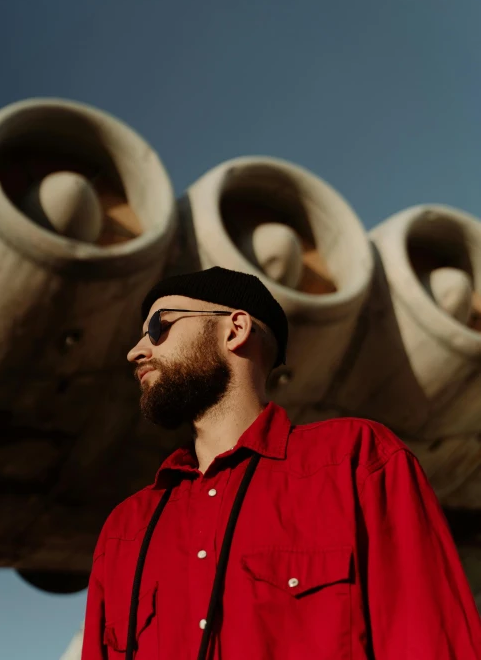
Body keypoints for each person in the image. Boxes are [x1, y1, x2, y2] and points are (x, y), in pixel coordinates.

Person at [81, 266, 481, 660]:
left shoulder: (357, 460)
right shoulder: (124, 529)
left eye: (158, 327)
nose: (137, 350)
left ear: (235, 329)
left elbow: (432, 642)